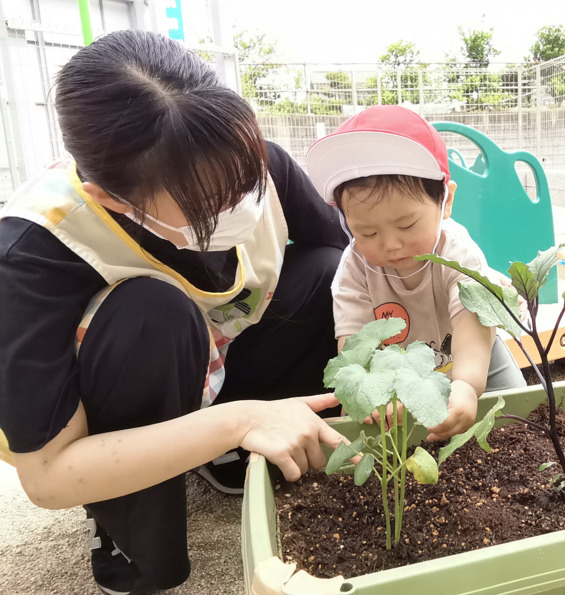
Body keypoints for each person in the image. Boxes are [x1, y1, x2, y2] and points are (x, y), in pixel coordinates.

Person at [0, 29, 351, 594]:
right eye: (210, 206)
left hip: (227, 357)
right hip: (136, 379)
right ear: (112, 201)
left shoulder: (258, 169)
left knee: (333, 271)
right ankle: (129, 534)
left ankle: (224, 451)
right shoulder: (36, 249)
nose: (243, 204)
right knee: (149, 313)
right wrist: (238, 420)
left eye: (247, 178)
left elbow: (360, 265)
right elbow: (45, 476)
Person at [305, 105, 527, 441]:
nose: (391, 244)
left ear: (445, 201)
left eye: (406, 224)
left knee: (516, 422)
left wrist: (466, 386)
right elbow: (354, 344)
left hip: (476, 353)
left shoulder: (457, 253)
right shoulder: (354, 269)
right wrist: (367, 392)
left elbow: (471, 322)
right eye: (366, 232)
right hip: (405, 372)